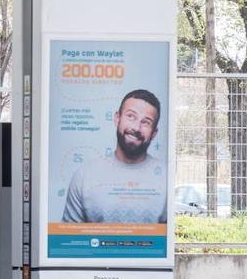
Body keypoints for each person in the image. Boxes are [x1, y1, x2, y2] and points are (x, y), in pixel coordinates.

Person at [62, 89, 168, 224]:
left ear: (154, 133)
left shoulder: (166, 177)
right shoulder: (84, 176)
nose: (136, 127)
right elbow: (70, 239)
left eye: (146, 122)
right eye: (131, 116)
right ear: (117, 118)